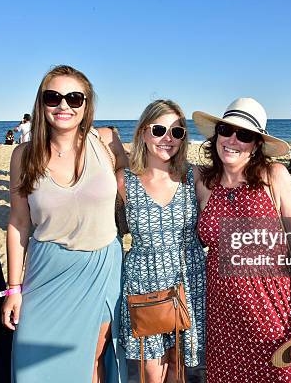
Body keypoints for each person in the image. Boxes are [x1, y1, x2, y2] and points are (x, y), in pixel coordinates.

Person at [2, 65, 128, 382]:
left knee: (96, 357)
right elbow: (18, 222)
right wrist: (13, 289)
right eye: (53, 97)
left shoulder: (107, 142)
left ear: (87, 106)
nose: (64, 106)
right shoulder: (23, 155)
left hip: (101, 266)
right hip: (47, 271)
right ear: (41, 103)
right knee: (33, 363)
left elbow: (141, 184)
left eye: (74, 98)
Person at [193, 98, 291, 382]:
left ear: (256, 144)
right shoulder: (204, 183)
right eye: (226, 131)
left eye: (244, 135)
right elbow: (155, 163)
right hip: (222, 314)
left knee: (284, 375)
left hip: (271, 308)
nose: (232, 140)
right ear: (216, 134)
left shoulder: (273, 176)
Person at [117, 100, 205, 382]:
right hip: (145, 284)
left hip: (188, 282)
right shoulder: (123, 181)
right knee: (151, 373)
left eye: (177, 132)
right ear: (143, 132)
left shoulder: (195, 176)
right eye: (159, 130)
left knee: (179, 369)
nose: (168, 139)